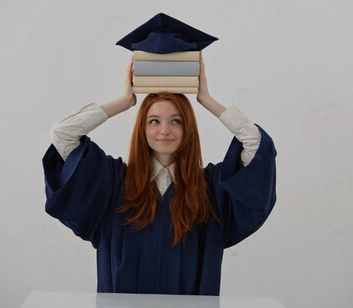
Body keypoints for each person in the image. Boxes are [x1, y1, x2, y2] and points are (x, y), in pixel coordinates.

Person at [42, 52, 277, 295]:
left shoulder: (211, 191)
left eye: (176, 121)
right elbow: (62, 135)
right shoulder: (112, 184)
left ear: (189, 129)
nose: (165, 130)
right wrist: (124, 101)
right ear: (141, 128)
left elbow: (256, 145)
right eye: (154, 121)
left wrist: (206, 99)